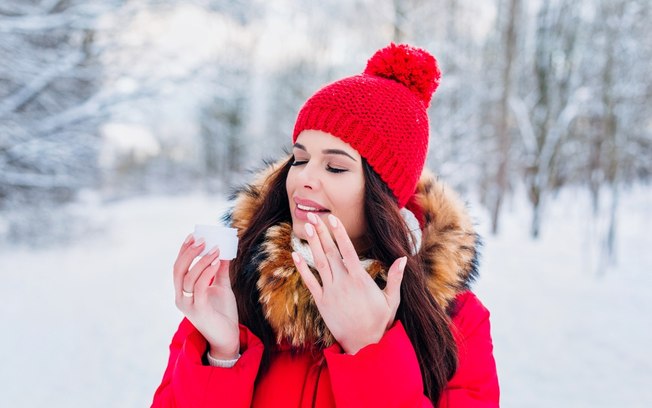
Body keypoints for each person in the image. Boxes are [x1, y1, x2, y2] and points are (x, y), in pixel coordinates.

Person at [152, 43, 499, 407]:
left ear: (384, 195)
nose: (303, 179)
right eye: (300, 160)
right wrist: (221, 355)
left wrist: (370, 351)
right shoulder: (238, 290)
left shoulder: (455, 323)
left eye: (335, 167)